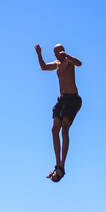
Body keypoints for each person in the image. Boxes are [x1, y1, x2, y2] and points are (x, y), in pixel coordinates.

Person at [35, 42, 82, 182]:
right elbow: (43, 67)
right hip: (62, 100)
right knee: (55, 129)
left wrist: (67, 55)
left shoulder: (69, 61)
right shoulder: (57, 63)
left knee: (64, 129)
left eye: (61, 50)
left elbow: (79, 63)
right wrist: (39, 54)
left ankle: (63, 164)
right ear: (55, 54)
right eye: (57, 52)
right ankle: (57, 165)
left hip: (73, 99)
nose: (59, 53)